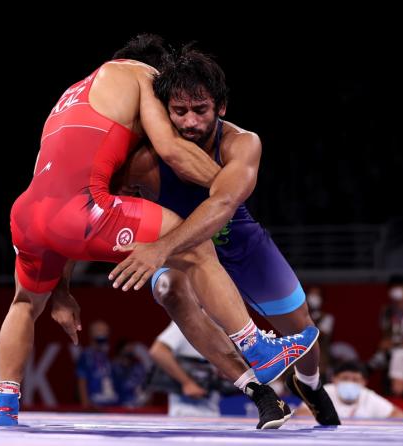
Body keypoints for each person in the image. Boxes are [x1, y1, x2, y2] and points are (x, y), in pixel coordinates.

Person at [0, 34, 314, 428]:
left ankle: (4, 408)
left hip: (28, 214)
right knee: (191, 246)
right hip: (83, 210)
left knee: (23, 304)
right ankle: (256, 346)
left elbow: (61, 207)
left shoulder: (72, 92)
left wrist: (62, 289)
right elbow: (172, 151)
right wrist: (226, 192)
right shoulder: (141, 76)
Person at [113, 45, 339, 425]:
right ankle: (259, 391)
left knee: (302, 328)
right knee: (169, 291)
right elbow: (94, 201)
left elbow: (222, 206)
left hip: (237, 238)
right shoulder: (143, 159)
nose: (189, 122)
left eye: (200, 109)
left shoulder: (242, 143)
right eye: (179, 111)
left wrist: (159, 248)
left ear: (221, 107)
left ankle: (310, 384)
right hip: (180, 251)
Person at [149, 321, 222, 417]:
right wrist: (187, 383)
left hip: (212, 408)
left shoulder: (222, 322)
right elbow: (158, 351)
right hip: (184, 411)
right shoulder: (185, 320)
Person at [296, 361, 403, 420]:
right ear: (334, 379)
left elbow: (400, 416)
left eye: (355, 379)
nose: (350, 382)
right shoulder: (323, 392)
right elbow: (301, 414)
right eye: (345, 378)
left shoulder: (368, 396)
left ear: (364, 382)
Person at [76, 321, 118, 408]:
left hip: (112, 404)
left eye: (105, 330)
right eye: (99, 330)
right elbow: (82, 382)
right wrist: (86, 406)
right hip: (95, 405)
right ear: (91, 334)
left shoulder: (110, 355)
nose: (103, 333)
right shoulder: (86, 356)